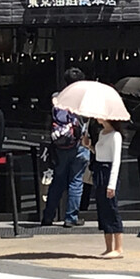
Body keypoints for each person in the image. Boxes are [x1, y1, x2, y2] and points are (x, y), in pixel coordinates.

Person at [41, 67, 90, 228]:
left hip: (60, 146)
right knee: (76, 181)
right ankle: (71, 218)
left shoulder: (57, 98)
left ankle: (48, 216)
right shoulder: (83, 100)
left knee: (58, 181)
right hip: (79, 145)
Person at [82, 118, 124, 259]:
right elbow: (100, 155)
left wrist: (111, 184)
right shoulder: (102, 133)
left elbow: (116, 161)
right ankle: (108, 247)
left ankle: (118, 248)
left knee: (111, 208)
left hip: (108, 172)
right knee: (102, 208)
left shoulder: (115, 135)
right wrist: (89, 146)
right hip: (99, 171)